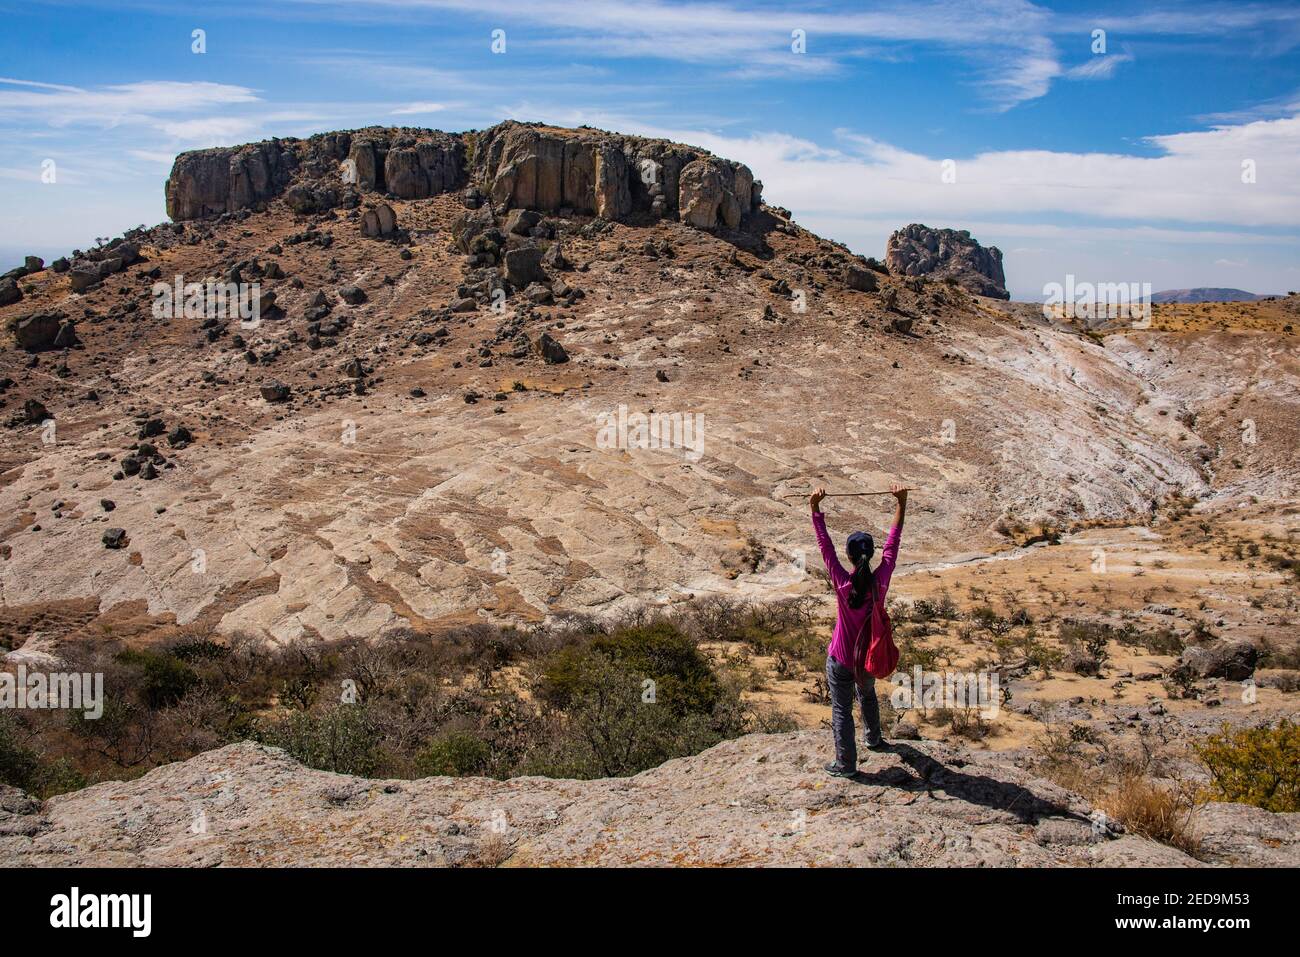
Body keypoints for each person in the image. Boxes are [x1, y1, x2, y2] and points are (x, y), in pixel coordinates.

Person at [810, 483, 907, 777]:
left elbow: (824, 547)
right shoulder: (881, 581)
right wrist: (901, 503)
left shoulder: (843, 583)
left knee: (841, 709)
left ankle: (846, 765)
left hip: (840, 659)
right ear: (872, 556)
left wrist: (815, 509)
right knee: (867, 694)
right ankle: (874, 738)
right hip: (868, 658)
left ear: (849, 557)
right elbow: (893, 545)